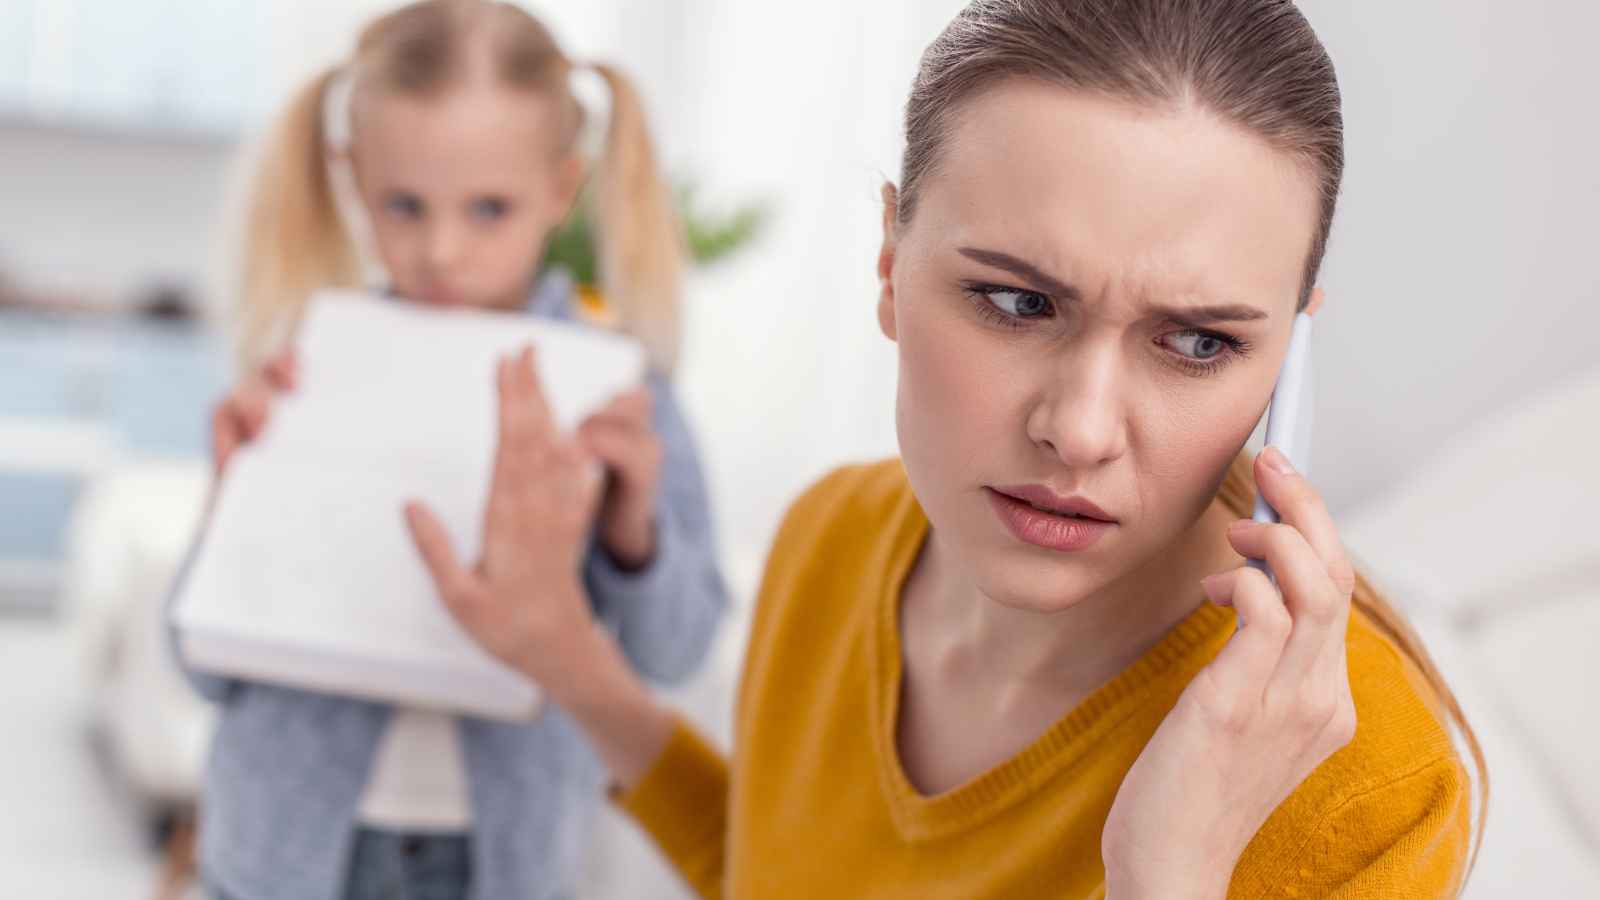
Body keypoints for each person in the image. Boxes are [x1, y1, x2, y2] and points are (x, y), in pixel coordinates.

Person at [417, 1, 1486, 897]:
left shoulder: (1367, 788)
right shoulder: (831, 535)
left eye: (1200, 342)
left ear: (1291, 351)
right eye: (1018, 301)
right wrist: (569, 661)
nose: (1080, 429)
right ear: (890, 265)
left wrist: (1169, 873)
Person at [183, 3, 728, 898]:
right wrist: (230, 504)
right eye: (404, 205)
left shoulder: (621, 394)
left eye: (488, 209)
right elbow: (199, 668)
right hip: (274, 858)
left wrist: (632, 531)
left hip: (498, 864)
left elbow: (677, 653)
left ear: (562, 188)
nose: (441, 251)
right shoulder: (305, 365)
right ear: (352, 178)